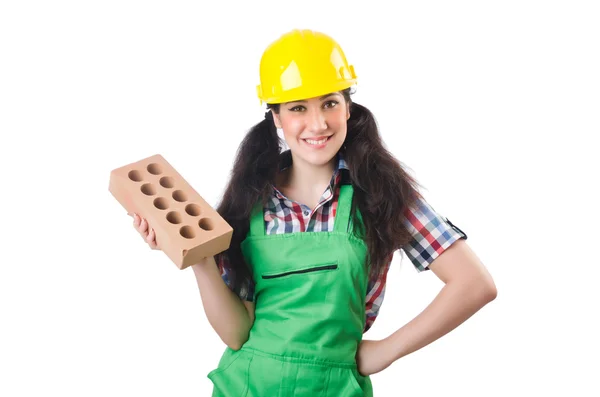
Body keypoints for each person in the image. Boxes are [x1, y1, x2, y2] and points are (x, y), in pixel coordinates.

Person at [130, 29, 497, 396]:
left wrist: (387, 351)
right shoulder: (249, 200)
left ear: (348, 107)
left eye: (330, 103)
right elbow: (238, 333)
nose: (318, 124)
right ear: (275, 116)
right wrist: (199, 259)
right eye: (298, 108)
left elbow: (474, 284)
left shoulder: (382, 195)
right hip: (246, 386)